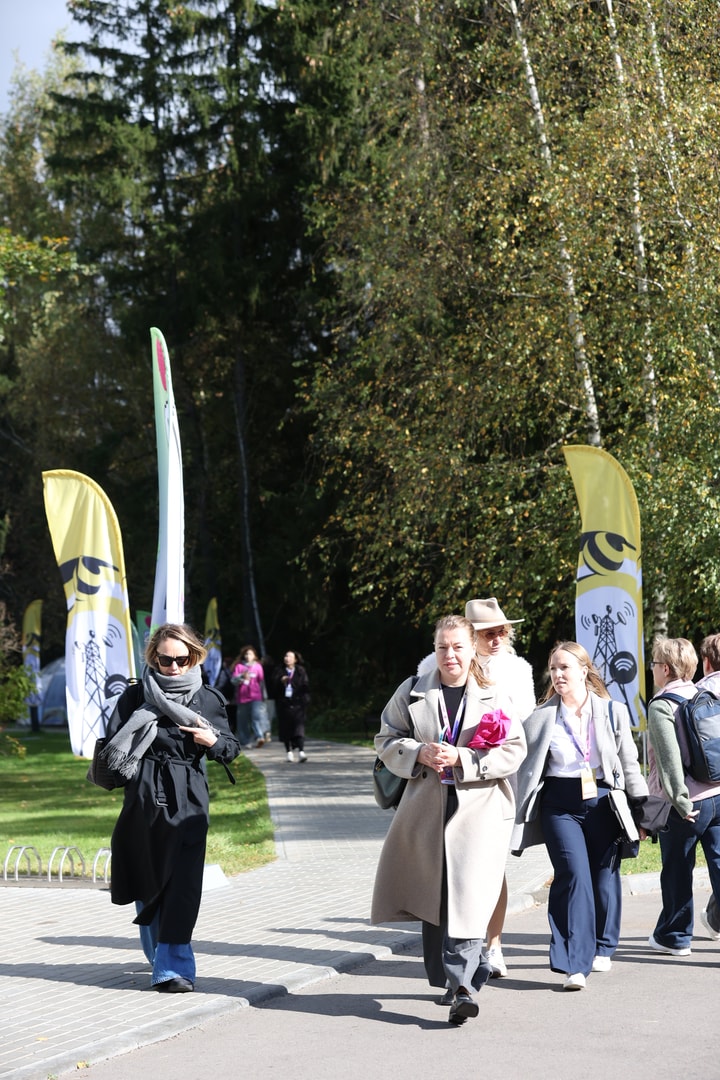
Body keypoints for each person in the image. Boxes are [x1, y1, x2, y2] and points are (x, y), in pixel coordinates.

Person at [372, 614, 527, 1025]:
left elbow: (514, 750)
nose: (450, 654)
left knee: (468, 893)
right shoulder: (412, 690)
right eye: (443, 647)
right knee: (437, 896)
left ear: (472, 648)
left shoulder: (494, 694)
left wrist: (464, 758)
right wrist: (418, 752)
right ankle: (457, 976)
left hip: (480, 810)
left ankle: (462, 987)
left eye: (458, 646)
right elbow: (385, 739)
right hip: (427, 809)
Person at [101, 622, 240, 992]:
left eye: (183, 659)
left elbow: (230, 748)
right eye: (166, 660)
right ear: (154, 658)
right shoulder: (135, 697)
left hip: (189, 798)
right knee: (147, 878)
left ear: (195, 657)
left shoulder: (207, 699)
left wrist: (212, 740)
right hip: (144, 795)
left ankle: (172, 968)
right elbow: (113, 744)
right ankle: (159, 958)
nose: (174, 667)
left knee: (183, 883)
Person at [512, 641, 648, 990]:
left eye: (565, 667)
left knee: (603, 877)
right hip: (559, 805)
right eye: (553, 668)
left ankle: (604, 944)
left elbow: (629, 763)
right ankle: (574, 962)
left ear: (584, 671)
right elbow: (521, 766)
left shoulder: (612, 711)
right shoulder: (541, 717)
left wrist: (641, 810)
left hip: (603, 801)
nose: (558, 674)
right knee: (572, 875)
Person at [417, 596, 536, 978]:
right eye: (489, 633)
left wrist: (476, 748)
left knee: (489, 868)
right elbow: (410, 723)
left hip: (493, 782)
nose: (497, 638)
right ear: (472, 637)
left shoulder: (515, 671)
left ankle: (492, 944)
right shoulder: (431, 669)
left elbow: (521, 728)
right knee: (445, 872)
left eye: (503, 631)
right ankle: (453, 962)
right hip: (439, 788)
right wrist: (422, 751)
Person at [646, 635, 720, 955]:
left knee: (677, 869)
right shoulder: (706, 694)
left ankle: (674, 937)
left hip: (686, 805)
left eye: (654, 664)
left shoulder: (662, 705)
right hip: (717, 794)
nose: (652, 669)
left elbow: (668, 760)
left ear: (665, 668)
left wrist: (680, 801)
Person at [697, 634, 720, 939]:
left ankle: (714, 919)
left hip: (709, 786)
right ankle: (714, 919)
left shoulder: (700, 693)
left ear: (706, 662)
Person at [272, 650, 310, 763]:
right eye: (285, 656)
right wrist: (281, 681)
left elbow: (305, 686)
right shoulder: (279, 671)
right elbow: (273, 685)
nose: (287, 658)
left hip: (298, 703)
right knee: (285, 728)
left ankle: (301, 751)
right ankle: (288, 752)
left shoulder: (300, 671)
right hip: (284, 703)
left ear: (295, 659)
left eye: (289, 656)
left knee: (299, 728)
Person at [232, 646, 268, 748]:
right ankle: (245, 741)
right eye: (246, 654)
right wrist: (241, 676)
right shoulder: (239, 666)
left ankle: (260, 737)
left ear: (255, 656)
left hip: (256, 696)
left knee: (256, 717)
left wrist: (264, 695)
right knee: (243, 721)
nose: (248, 656)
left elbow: (261, 682)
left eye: (250, 654)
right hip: (242, 697)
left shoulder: (258, 667)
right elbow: (233, 681)